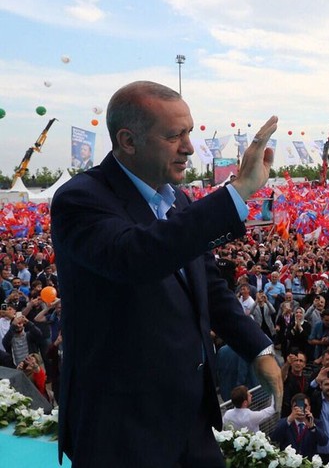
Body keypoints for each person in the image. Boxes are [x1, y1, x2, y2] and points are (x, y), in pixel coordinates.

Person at [50, 81, 283, 466]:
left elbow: (206, 283)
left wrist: (257, 347)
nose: (189, 147)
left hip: (189, 418)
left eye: (189, 132)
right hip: (122, 428)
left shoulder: (178, 200)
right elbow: (137, 256)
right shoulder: (82, 199)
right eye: (176, 135)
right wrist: (237, 192)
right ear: (128, 141)